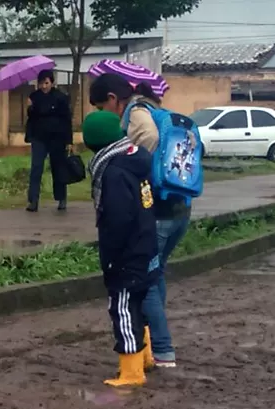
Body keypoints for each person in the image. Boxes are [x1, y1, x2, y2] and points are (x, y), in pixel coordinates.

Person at [89, 73, 190, 369]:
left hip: (155, 211)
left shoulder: (136, 114)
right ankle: (153, 347)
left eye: (99, 107)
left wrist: (129, 156)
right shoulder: (152, 107)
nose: (99, 115)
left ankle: (161, 350)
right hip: (177, 206)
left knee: (140, 282)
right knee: (153, 277)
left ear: (111, 99)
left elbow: (149, 138)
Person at [82, 109, 159, 387]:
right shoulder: (135, 159)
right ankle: (146, 356)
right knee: (139, 306)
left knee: (123, 309)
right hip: (145, 246)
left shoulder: (113, 173)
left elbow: (116, 220)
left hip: (126, 254)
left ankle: (131, 372)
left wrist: (112, 259)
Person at [25, 69, 73, 212]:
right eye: (41, 83)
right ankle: (33, 201)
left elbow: (67, 121)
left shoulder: (61, 97)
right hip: (39, 138)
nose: (44, 86)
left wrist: (69, 141)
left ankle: (61, 198)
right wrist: (29, 107)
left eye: (46, 83)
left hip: (57, 139)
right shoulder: (34, 97)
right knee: (36, 168)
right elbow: (31, 118)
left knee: (58, 168)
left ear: (52, 82)